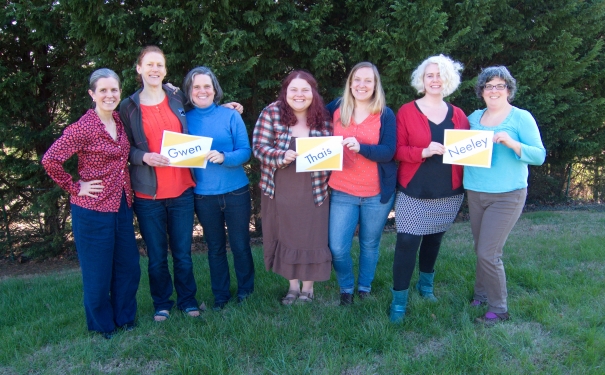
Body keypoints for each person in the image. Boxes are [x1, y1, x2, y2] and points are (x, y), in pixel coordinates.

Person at [119, 46, 242, 321]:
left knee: (183, 254)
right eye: (149, 65)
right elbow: (121, 147)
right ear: (139, 69)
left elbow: (205, 107)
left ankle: (188, 300)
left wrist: (227, 108)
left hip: (182, 190)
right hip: (148, 193)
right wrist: (143, 156)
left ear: (165, 70)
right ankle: (162, 302)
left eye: (159, 65)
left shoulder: (177, 98)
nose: (154, 70)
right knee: (157, 256)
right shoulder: (128, 106)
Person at [42, 68, 140, 339]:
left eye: (114, 90)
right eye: (103, 90)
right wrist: (75, 186)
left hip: (121, 204)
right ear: (92, 94)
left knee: (127, 266)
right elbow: (50, 159)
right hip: (92, 208)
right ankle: (102, 326)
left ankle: (125, 319)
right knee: (98, 272)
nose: (110, 95)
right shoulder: (83, 127)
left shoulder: (119, 120)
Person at [389, 55, 470, 322]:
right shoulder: (406, 111)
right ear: (421, 80)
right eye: (430, 75)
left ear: (448, 80)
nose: (435, 80)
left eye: (440, 75)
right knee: (407, 242)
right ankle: (398, 302)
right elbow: (397, 150)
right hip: (414, 189)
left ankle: (426, 287)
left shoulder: (458, 115)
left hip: (448, 190)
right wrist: (423, 151)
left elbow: (467, 151)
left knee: (434, 239)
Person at [465, 66, 545, 324]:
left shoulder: (521, 118)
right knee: (481, 247)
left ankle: (499, 309)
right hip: (477, 192)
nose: (494, 90)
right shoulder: (473, 118)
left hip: (507, 195)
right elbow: (460, 148)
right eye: (489, 86)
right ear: (481, 91)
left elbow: (539, 155)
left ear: (508, 90)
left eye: (500, 85)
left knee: (489, 252)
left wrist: (512, 143)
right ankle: (480, 293)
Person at [253, 70, 332, 305]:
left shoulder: (323, 116)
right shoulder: (271, 112)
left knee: (311, 236)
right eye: (294, 89)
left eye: (305, 90)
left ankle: (308, 288)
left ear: (313, 92)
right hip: (280, 187)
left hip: (314, 188)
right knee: (286, 234)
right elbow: (258, 147)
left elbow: (331, 151)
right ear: (285, 91)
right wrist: (280, 155)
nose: (299, 95)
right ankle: (292, 287)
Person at [182, 66, 254, 311]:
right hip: (204, 195)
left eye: (207, 86)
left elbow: (245, 151)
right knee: (214, 249)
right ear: (189, 92)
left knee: (241, 245)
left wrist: (225, 157)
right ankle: (220, 296)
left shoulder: (231, 116)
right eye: (196, 87)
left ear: (215, 90)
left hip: (236, 192)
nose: (202, 91)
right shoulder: (183, 119)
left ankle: (246, 291)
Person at [326, 62, 397, 305]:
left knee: (369, 243)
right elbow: (305, 113)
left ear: (376, 85)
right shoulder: (336, 108)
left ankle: (364, 286)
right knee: (337, 247)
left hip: (375, 193)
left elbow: (388, 151)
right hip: (342, 190)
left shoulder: (385, 114)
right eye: (357, 79)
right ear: (350, 83)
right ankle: (346, 286)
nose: (362, 85)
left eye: (368, 80)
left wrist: (362, 148)